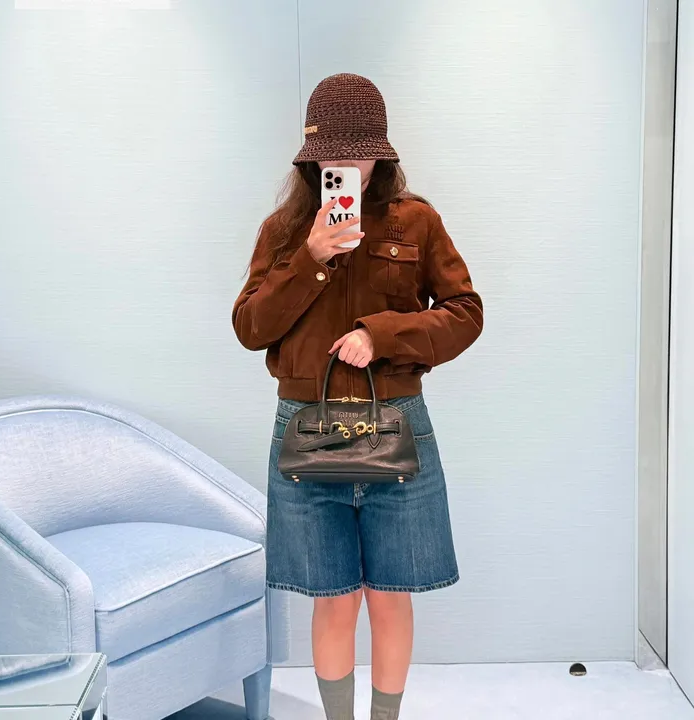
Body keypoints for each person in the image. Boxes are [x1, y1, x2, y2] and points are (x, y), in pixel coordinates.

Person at [232, 73, 483, 720]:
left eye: (357, 155)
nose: (343, 168)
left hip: (396, 425)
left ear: (381, 154)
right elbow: (250, 328)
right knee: (334, 599)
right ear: (310, 158)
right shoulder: (285, 231)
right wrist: (311, 257)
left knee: (390, 595)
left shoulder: (416, 221)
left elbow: (465, 312)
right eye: (331, 157)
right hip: (306, 428)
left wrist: (384, 335)